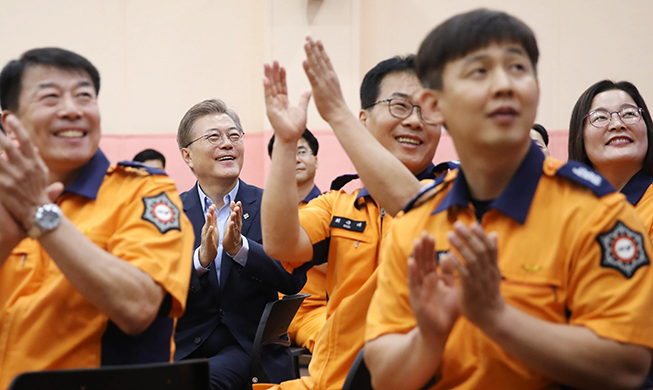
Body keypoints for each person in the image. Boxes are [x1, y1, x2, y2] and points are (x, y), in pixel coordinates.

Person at [364, 9, 653, 390]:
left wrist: (496, 316)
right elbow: (384, 377)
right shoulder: (416, 225)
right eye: (479, 72)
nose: (504, 85)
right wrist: (429, 337)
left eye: (518, 68)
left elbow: (626, 365)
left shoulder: (598, 214)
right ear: (435, 106)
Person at [0, 48, 194, 389]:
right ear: (10, 122)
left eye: (84, 96)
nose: (72, 110)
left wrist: (42, 216)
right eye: (50, 97)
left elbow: (138, 306)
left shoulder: (143, 191)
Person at [258, 42, 443, 389]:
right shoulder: (339, 204)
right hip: (335, 381)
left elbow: (412, 205)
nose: (416, 121)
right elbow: (281, 243)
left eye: (429, 110)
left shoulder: (455, 195)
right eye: (401, 106)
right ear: (364, 119)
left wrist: (336, 112)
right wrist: (285, 142)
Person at [173, 98, 307, 390]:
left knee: (204, 382)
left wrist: (242, 249)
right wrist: (200, 261)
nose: (227, 143)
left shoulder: (270, 204)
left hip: (249, 343)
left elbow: (294, 278)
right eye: (214, 137)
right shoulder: (173, 211)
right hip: (183, 346)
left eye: (234, 135)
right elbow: (157, 288)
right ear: (187, 155)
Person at [268, 129, 326, 353]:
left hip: (313, 309)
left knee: (335, 343)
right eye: (286, 153)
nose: (295, 159)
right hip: (267, 312)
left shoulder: (330, 208)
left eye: (301, 151)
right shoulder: (264, 209)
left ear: (316, 160)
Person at [569, 80, 653, 234]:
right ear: (580, 138)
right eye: (600, 117)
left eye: (629, 114)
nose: (617, 124)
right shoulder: (569, 212)